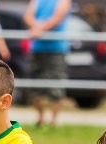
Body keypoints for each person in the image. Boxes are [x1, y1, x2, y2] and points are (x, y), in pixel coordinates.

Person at [23, 0, 70, 128]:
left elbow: (58, 18)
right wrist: (38, 27)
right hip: (37, 48)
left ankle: (53, 122)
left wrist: (38, 28)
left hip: (57, 48)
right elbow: (27, 16)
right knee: (36, 86)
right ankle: (40, 120)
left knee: (56, 86)